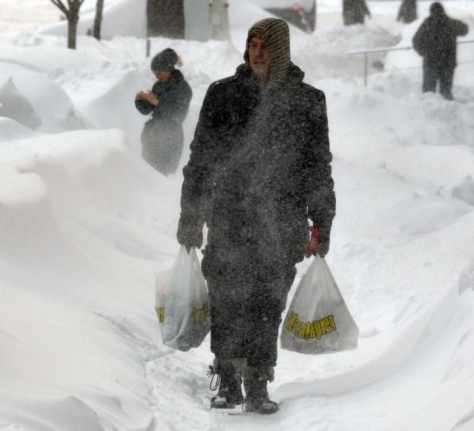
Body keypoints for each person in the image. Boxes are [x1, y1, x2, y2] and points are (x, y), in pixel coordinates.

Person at [177, 18, 335, 414]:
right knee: (227, 297)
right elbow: (200, 160)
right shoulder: (223, 95)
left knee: (267, 302)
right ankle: (228, 379)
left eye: (266, 45)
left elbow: (318, 167)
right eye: (252, 44)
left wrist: (322, 221)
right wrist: (191, 215)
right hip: (229, 215)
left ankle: (259, 382)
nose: (257, 52)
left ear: (280, 50)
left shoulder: (307, 101)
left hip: (281, 221)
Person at [135, 48, 193, 176]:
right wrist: (140, 101)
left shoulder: (183, 88)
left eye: (159, 73)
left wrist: (157, 102)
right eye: (154, 73)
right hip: (152, 136)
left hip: (170, 139)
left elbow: (178, 116)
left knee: (160, 176)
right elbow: (147, 110)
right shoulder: (158, 86)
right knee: (146, 174)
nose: (156, 76)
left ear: (168, 70)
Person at [412, 2, 468, 100]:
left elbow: (416, 40)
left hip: (430, 63)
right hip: (448, 63)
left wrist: (423, 52)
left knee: (428, 93)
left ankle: (426, 113)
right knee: (446, 91)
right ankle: (448, 112)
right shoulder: (450, 22)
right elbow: (465, 29)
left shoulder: (427, 23)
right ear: (443, 11)